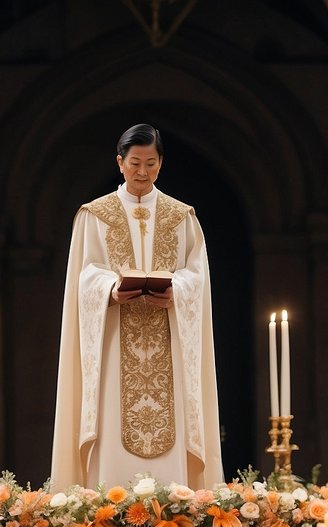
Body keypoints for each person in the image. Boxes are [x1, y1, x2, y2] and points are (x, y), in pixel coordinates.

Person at [51, 124, 224, 490]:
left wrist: (177, 288)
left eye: (150, 163)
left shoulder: (182, 217)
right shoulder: (94, 216)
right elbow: (83, 276)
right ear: (119, 162)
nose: (142, 173)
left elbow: (198, 275)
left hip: (169, 341)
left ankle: (174, 506)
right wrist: (110, 288)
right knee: (113, 418)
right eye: (134, 163)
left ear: (161, 164)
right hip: (113, 341)